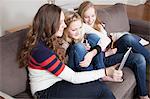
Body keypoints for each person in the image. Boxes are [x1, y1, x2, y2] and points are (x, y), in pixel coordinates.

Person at [17, 3, 116, 99]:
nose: (64, 25)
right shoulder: (40, 51)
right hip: (44, 92)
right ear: (50, 24)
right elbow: (73, 77)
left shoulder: (48, 39)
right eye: (61, 22)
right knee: (101, 89)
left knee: (96, 85)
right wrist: (105, 72)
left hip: (58, 81)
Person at [78, 1, 150, 99]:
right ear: (81, 17)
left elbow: (107, 40)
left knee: (127, 38)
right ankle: (144, 96)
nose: (91, 20)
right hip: (104, 58)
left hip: (112, 49)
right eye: (87, 17)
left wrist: (110, 37)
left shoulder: (97, 24)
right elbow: (92, 57)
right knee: (139, 58)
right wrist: (108, 52)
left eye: (92, 15)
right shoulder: (82, 31)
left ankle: (143, 94)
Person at [63, 11, 123, 82]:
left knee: (93, 37)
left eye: (80, 28)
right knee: (78, 47)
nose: (78, 32)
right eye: (73, 30)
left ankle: (101, 72)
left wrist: (91, 53)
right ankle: (97, 77)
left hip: (85, 62)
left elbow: (105, 39)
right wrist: (79, 50)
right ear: (65, 29)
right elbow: (63, 64)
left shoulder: (81, 26)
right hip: (72, 69)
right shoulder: (62, 39)